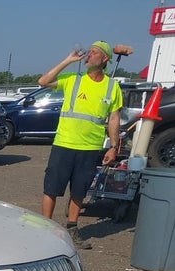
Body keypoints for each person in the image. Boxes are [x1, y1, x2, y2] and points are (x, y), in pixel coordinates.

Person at [38, 41, 124, 250]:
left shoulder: (112, 86)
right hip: (64, 144)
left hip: (90, 148)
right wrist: (68, 60)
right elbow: (43, 81)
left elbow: (113, 118)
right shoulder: (73, 81)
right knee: (52, 188)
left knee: (79, 190)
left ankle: (72, 229)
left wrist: (113, 146)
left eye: (94, 53)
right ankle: (43, 231)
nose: (88, 55)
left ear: (104, 59)